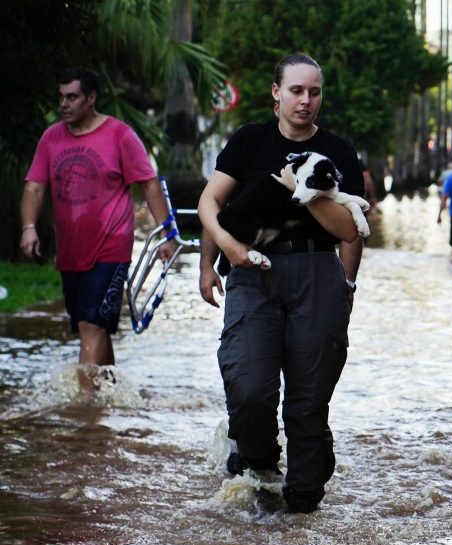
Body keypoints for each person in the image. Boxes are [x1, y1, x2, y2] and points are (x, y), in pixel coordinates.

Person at [196, 53, 365, 514]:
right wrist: (213, 260)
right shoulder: (249, 142)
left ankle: (305, 500)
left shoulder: (339, 151)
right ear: (276, 93)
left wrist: (301, 189)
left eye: (314, 92)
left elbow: (348, 230)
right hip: (251, 271)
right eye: (296, 91)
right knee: (249, 388)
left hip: (317, 275)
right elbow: (212, 203)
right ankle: (260, 463)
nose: (305, 101)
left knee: (308, 403)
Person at [19, 67, 174, 389]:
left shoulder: (120, 135)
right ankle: (112, 398)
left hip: (110, 247)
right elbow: (34, 186)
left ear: (91, 98)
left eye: (72, 97)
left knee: (91, 325)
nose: (64, 104)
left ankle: (84, 412)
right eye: (61, 97)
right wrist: (28, 227)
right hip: (71, 251)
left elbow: (148, 185)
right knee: (93, 327)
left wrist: (166, 234)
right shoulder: (51, 137)